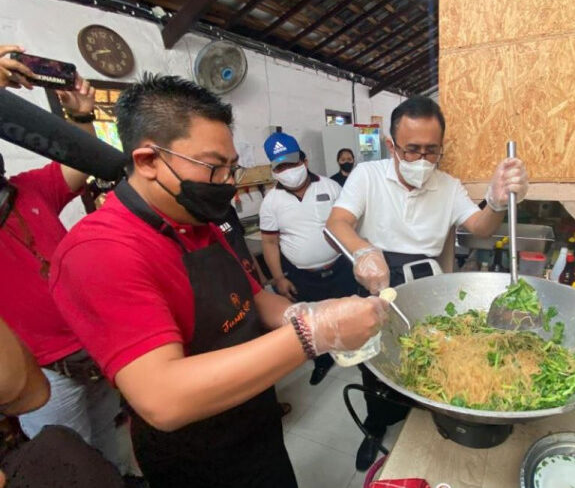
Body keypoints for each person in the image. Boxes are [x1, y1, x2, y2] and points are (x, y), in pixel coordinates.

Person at [49, 74, 388, 488]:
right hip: (196, 449)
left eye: (233, 167)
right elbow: (163, 397)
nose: (229, 182)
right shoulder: (100, 251)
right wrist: (313, 333)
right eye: (215, 167)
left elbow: (251, 297)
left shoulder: (199, 220)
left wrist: (309, 311)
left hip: (254, 413)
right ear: (148, 161)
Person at [326, 96, 529, 470]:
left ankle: (423, 426)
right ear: (391, 145)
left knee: (426, 359)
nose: (422, 160)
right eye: (412, 150)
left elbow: (480, 227)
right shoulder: (367, 176)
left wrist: (497, 202)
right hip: (376, 279)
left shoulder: (448, 186)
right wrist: (363, 252)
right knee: (375, 365)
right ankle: (374, 426)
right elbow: (336, 223)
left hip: (426, 283)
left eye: (431, 151)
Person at [0, 44, 131, 475]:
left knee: (107, 449)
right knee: (69, 469)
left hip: (93, 347)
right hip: (46, 375)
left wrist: (79, 116)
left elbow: (77, 165)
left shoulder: (27, 189)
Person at [260, 133, 358, 385]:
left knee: (348, 313)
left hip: (340, 268)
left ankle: (355, 352)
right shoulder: (271, 202)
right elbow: (270, 243)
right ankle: (322, 361)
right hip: (303, 276)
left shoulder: (330, 187)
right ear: (274, 170)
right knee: (313, 324)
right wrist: (279, 278)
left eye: (292, 164)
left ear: (304, 160)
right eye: (281, 167)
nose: (288, 171)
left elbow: (349, 225)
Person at [0, 318, 125, 488]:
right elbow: (28, 396)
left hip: (95, 344)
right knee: (60, 458)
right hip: (43, 364)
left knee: (105, 441)